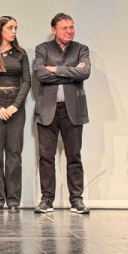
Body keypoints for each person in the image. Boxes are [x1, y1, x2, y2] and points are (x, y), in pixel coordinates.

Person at [33, 12, 91, 215]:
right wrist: (71, 72)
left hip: (73, 109)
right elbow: (40, 74)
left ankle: (76, 199)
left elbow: (85, 73)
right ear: (54, 30)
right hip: (47, 109)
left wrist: (55, 69)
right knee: (46, 157)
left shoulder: (81, 49)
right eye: (65, 28)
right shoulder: (42, 49)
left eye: (71, 27)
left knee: (74, 156)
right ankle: (46, 200)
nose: (69, 31)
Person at [0, 16, 30, 211]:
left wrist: (15, 106)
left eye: (15, 28)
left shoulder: (21, 54)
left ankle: (13, 201)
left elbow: (27, 81)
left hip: (15, 105)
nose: (14, 31)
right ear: (0, 30)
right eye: (10, 28)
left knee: (14, 153)